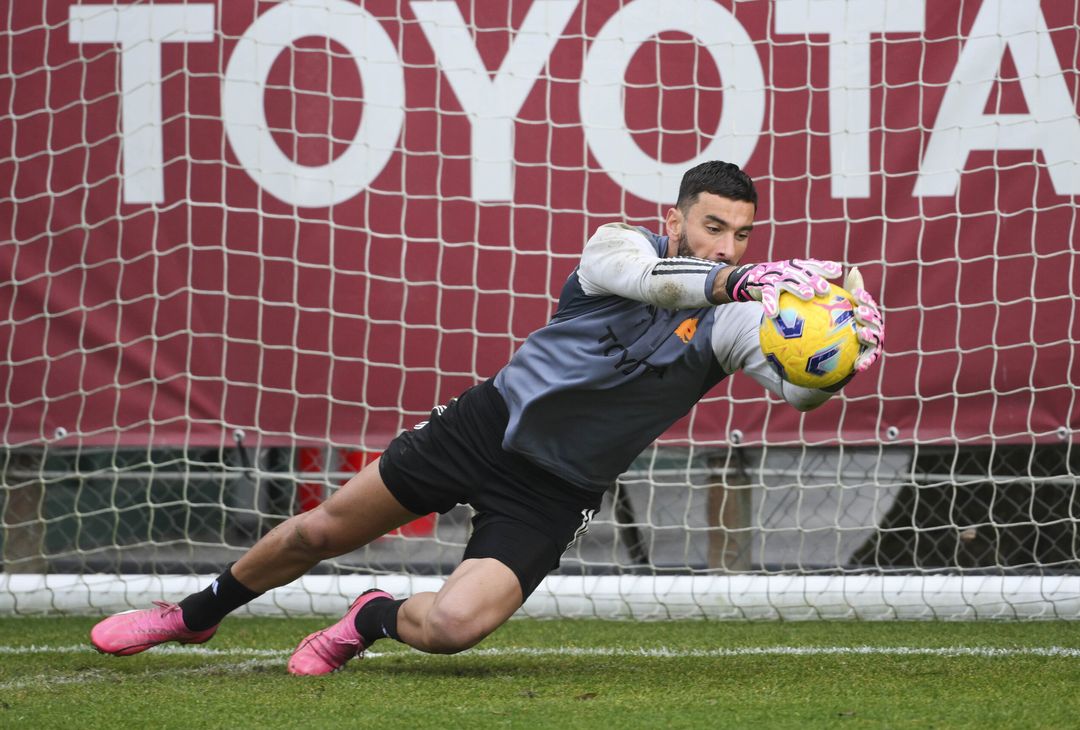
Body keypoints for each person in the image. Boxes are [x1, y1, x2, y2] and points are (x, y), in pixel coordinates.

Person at [89, 161, 884, 675]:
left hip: (557, 487)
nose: (726, 246)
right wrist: (738, 282)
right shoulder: (618, 248)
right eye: (712, 227)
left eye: (741, 235)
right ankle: (191, 616)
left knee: (454, 629)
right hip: (484, 425)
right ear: (673, 219)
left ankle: (372, 615)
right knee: (317, 532)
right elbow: (658, 284)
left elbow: (794, 392)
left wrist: (838, 361)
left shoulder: (735, 320)